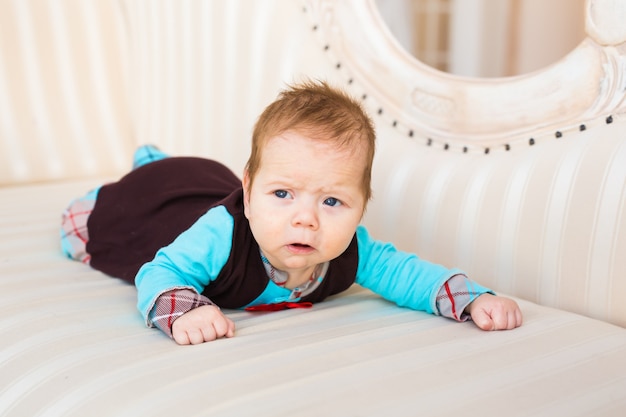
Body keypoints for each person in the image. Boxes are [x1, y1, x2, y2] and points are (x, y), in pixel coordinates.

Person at [61, 80, 523, 345]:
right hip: (166, 206)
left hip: (216, 183)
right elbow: (161, 270)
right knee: (86, 226)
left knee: (181, 175)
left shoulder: (353, 251)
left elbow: (411, 277)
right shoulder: (222, 233)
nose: (306, 219)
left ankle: (158, 160)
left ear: (363, 205)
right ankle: (148, 165)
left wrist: (474, 299)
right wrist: (185, 311)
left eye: (332, 201)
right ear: (251, 188)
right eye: (283, 194)